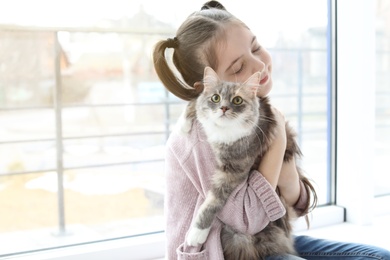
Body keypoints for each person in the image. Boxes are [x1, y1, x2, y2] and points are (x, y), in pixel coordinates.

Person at [153, 1, 390, 259]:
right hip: (226, 252)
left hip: (269, 243)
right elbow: (246, 220)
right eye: (238, 68)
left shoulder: (256, 113)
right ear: (207, 89)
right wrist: (277, 142)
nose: (259, 65)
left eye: (256, 47)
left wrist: (285, 167)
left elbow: (296, 204)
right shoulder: (199, 137)